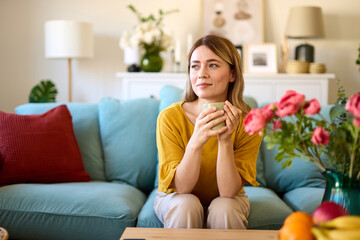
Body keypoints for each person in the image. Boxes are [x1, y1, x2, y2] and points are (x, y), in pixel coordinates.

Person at [154, 34, 262, 229]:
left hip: (227, 198)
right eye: (195, 66)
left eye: (212, 65)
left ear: (232, 74)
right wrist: (196, 141)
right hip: (176, 196)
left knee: (225, 208)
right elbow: (182, 189)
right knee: (186, 204)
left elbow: (228, 192)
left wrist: (225, 141)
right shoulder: (169, 118)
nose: (201, 73)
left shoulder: (249, 123)